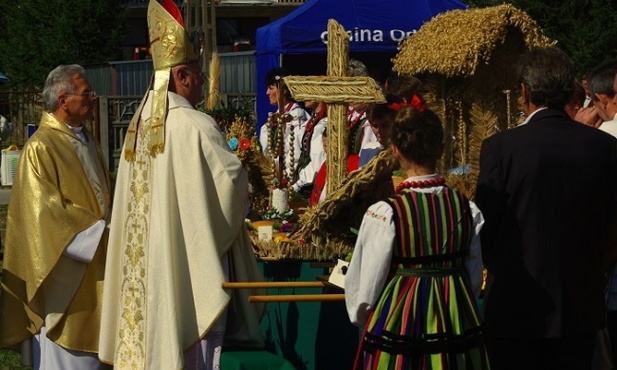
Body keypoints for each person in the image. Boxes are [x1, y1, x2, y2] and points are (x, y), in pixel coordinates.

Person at [98, 1, 265, 369]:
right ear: (182, 77)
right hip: (189, 265)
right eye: (198, 75)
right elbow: (231, 184)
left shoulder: (135, 128)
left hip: (145, 266)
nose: (203, 83)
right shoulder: (195, 126)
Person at [475, 47, 617, 370]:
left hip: (516, 308)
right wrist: (598, 266)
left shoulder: (501, 149)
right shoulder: (604, 147)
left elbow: (485, 229)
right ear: (570, 90)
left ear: (524, 92)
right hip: (580, 306)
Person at [345, 101, 488, 369]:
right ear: (441, 150)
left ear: (395, 150)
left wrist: (370, 321)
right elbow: (473, 276)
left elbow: (366, 288)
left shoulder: (385, 213)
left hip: (398, 324)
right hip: (454, 323)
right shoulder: (467, 209)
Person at [0, 64, 112, 369]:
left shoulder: (88, 141)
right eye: (87, 93)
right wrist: (101, 232)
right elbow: (44, 216)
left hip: (100, 267)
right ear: (64, 100)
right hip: (64, 281)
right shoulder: (40, 147)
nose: (93, 98)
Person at [259, 67, 308, 178]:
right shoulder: (274, 116)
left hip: (289, 174)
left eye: (271, 88)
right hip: (273, 173)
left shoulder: (297, 115)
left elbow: (295, 150)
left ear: (283, 90)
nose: (267, 92)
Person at [292, 100, 327, 196]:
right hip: (301, 180)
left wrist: (297, 186)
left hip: (310, 186)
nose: (304, 97)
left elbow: (317, 162)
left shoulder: (323, 124)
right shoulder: (312, 121)